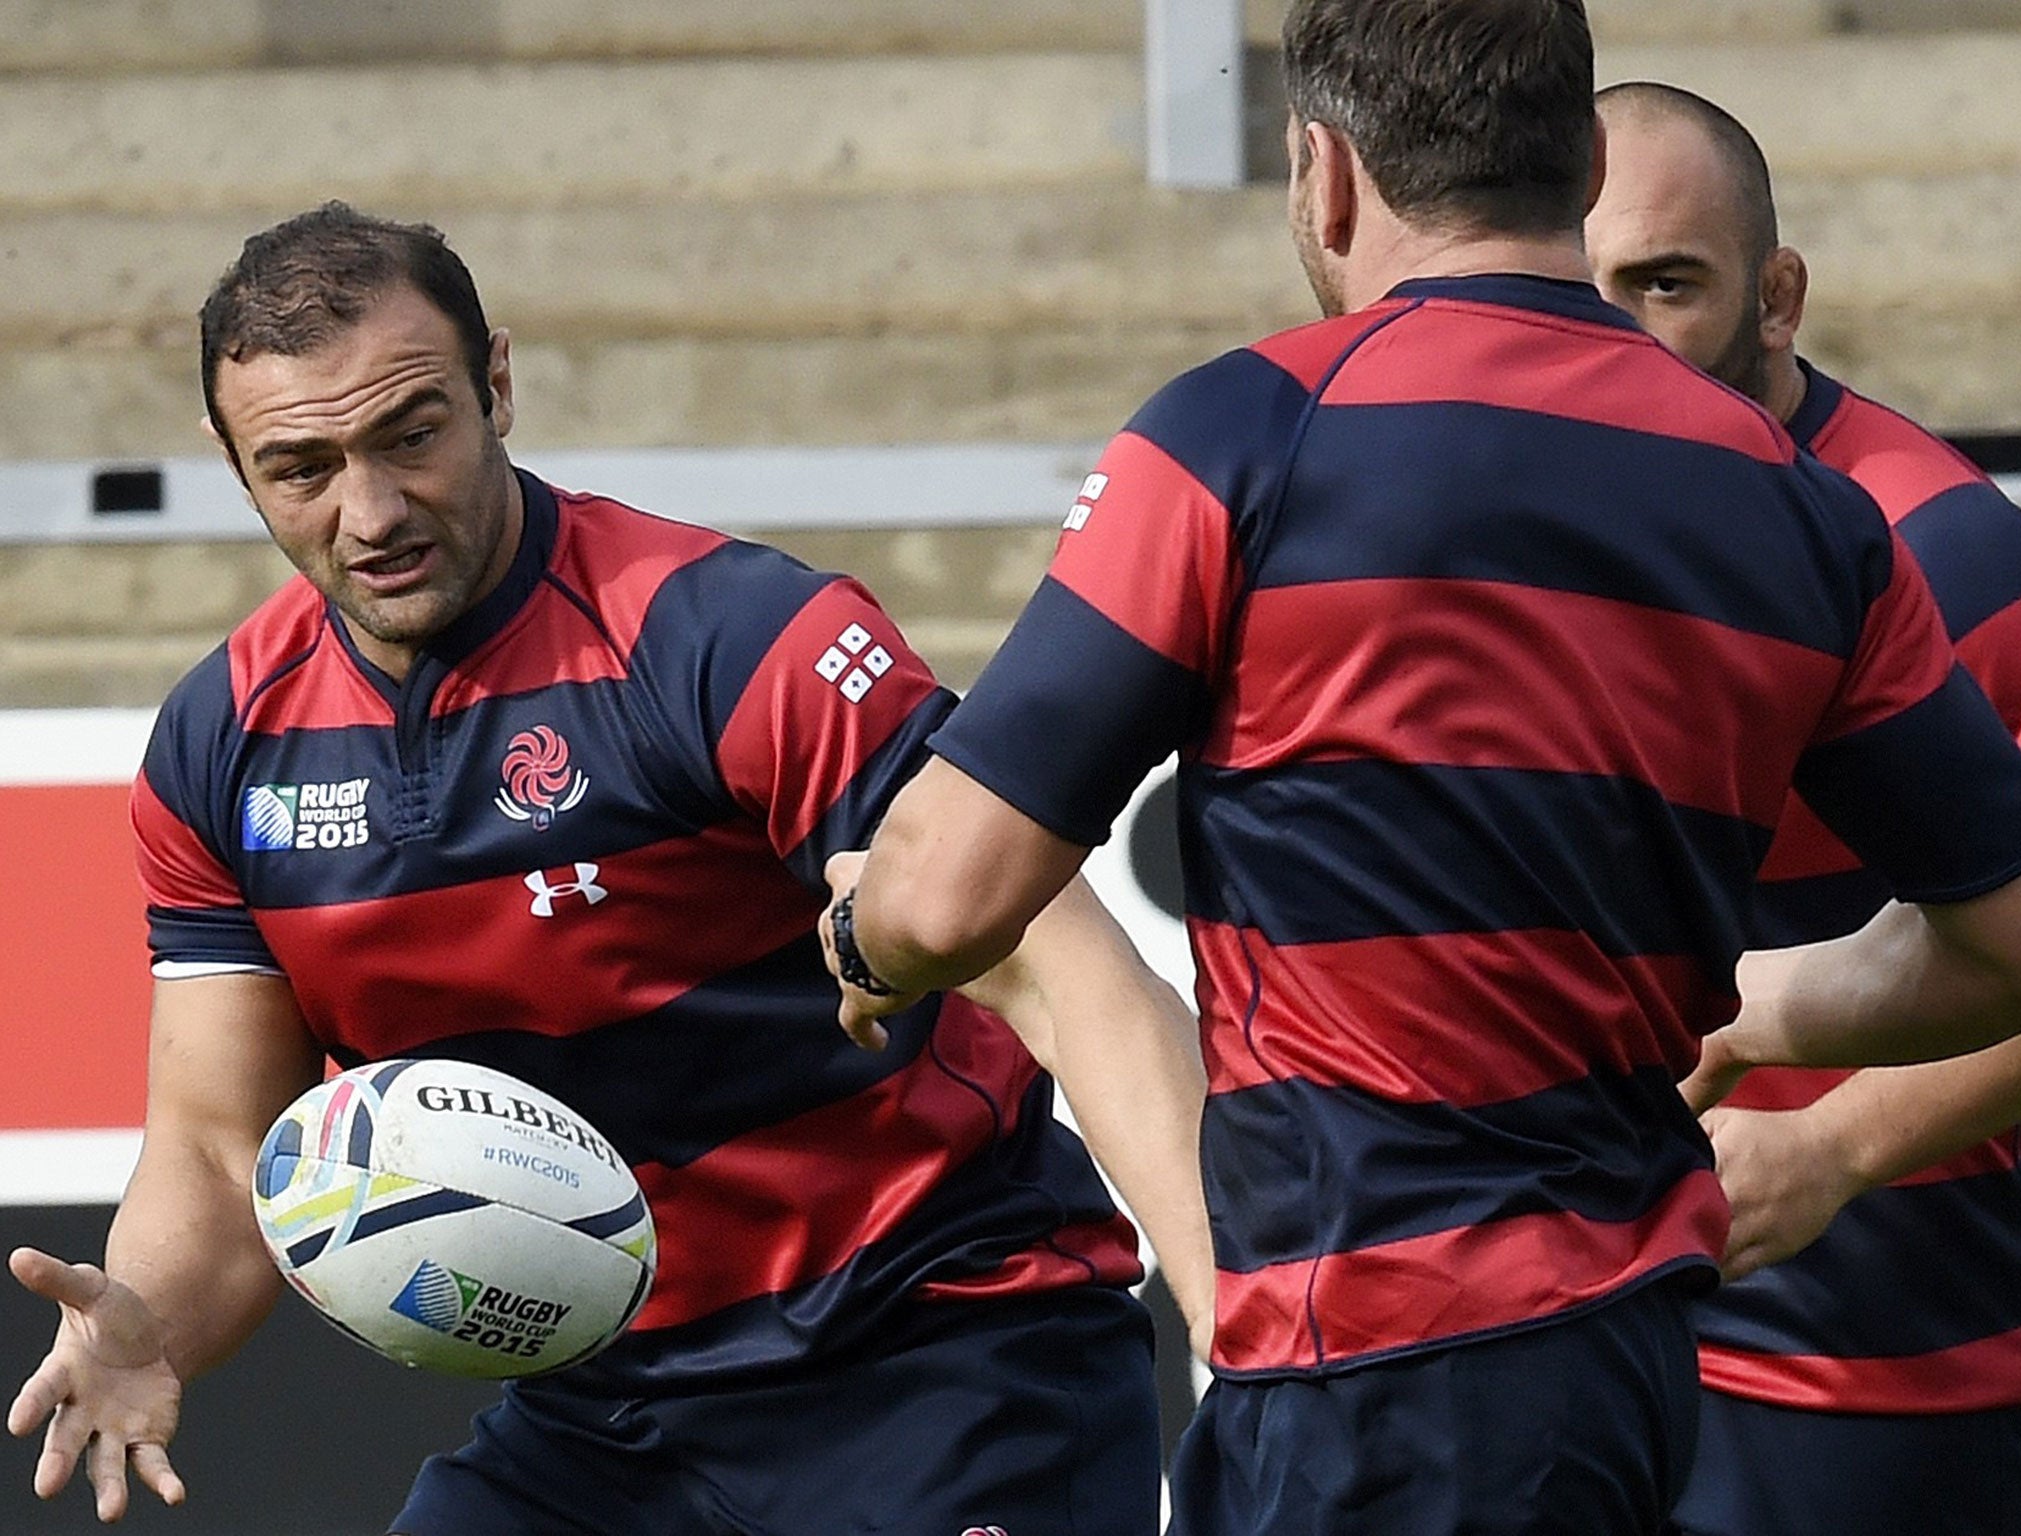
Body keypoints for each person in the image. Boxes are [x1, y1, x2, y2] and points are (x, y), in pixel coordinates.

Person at [815, 2, 2021, 1532]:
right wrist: (1771, 1000)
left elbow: (949, 901)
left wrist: (866, 932)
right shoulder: (1794, 502)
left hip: (1385, 1365)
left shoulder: (1244, 436)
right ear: (1582, 161)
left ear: (1323, 177)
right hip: (1636, 1356)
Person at [5, 201, 1214, 1534]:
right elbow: (225, 1147)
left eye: (413, 434)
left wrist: (1246, 1322)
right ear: (233, 465)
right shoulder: (221, 746)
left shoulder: (728, 641)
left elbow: (1071, 983)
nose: (373, 511)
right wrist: (148, 1323)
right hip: (606, 1421)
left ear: (499, 387)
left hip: (942, 1359)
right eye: (301, 467)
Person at [1586, 81, 2021, 1536]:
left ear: (1776, 300)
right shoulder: (1505, 531)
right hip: (1569, 1355)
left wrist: (1837, 1147)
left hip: (1876, 1385)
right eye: (1576, 285)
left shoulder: (1953, 559)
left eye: (1663, 284)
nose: (1609, 338)